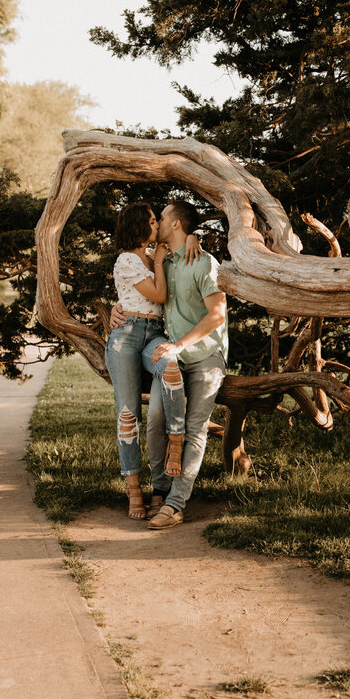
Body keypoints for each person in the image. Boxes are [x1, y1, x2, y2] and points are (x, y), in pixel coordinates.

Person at [111, 200, 228, 530]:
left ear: (175, 224)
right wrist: (116, 308)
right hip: (170, 355)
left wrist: (180, 344)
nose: (156, 223)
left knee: (195, 427)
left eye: (160, 218)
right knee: (156, 421)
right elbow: (137, 290)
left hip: (204, 354)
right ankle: (160, 489)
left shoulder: (203, 262)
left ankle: (175, 505)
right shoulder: (162, 260)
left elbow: (217, 315)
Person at [104, 202, 197, 520]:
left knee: (170, 366)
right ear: (140, 226)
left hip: (154, 334)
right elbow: (158, 295)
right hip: (126, 336)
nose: (157, 224)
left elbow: (182, 241)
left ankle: (175, 440)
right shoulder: (127, 259)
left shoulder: (153, 254)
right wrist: (157, 261)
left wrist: (194, 237)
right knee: (128, 414)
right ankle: (133, 491)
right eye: (152, 220)